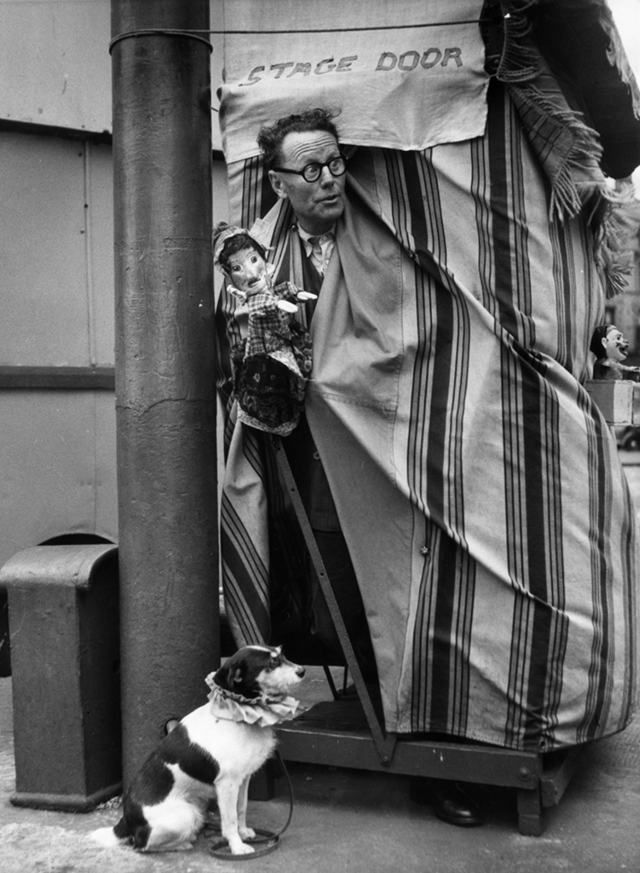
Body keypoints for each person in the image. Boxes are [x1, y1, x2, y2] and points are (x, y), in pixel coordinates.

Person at [217, 108, 484, 827]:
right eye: (310, 169)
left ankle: (428, 751)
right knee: (332, 590)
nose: (330, 179)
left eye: (336, 163)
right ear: (276, 183)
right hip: (305, 464)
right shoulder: (254, 259)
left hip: (394, 457)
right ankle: (363, 734)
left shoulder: (383, 233)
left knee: (405, 595)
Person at [212, 221, 315, 436]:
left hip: (282, 337)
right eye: (237, 268)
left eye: (253, 260)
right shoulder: (255, 301)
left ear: (263, 257)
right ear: (229, 275)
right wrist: (279, 304)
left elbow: (281, 291)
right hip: (265, 348)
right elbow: (265, 303)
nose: (250, 273)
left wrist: (296, 294)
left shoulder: (270, 289)